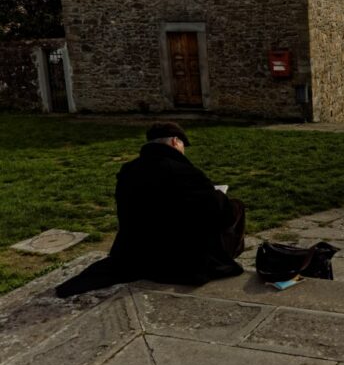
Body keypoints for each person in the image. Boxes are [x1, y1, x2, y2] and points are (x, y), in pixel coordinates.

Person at [56, 122, 245, 297]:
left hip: (137, 252)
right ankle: (228, 254)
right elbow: (220, 214)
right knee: (234, 207)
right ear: (174, 141)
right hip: (177, 258)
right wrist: (221, 198)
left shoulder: (129, 170)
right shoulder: (184, 172)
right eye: (182, 145)